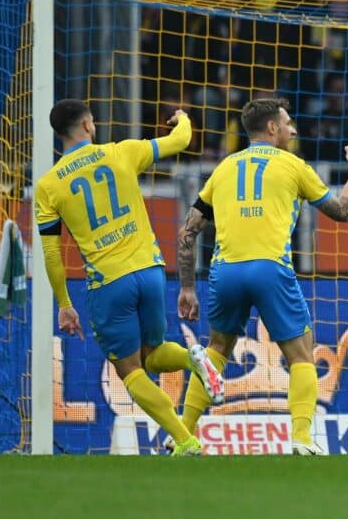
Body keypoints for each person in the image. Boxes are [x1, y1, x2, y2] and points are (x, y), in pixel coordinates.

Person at [174, 98, 348, 455]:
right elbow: (341, 212)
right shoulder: (294, 165)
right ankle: (302, 440)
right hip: (269, 269)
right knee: (302, 355)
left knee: (216, 349)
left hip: (225, 270)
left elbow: (188, 230)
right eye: (288, 123)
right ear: (273, 128)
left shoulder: (225, 167)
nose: (293, 130)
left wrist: (187, 286)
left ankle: (183, 435)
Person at [35, 99, 222, 457]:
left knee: (130, 369)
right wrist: (182, 118)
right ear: (88, 125)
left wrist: (64, 303)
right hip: (150, 270)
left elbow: (52, 253)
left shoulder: (49, 185)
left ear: (60, 134)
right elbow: (180, 141)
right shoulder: (122, 152)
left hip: (109, 282)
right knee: (153, 355)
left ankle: (184, 439)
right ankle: (192, 358)